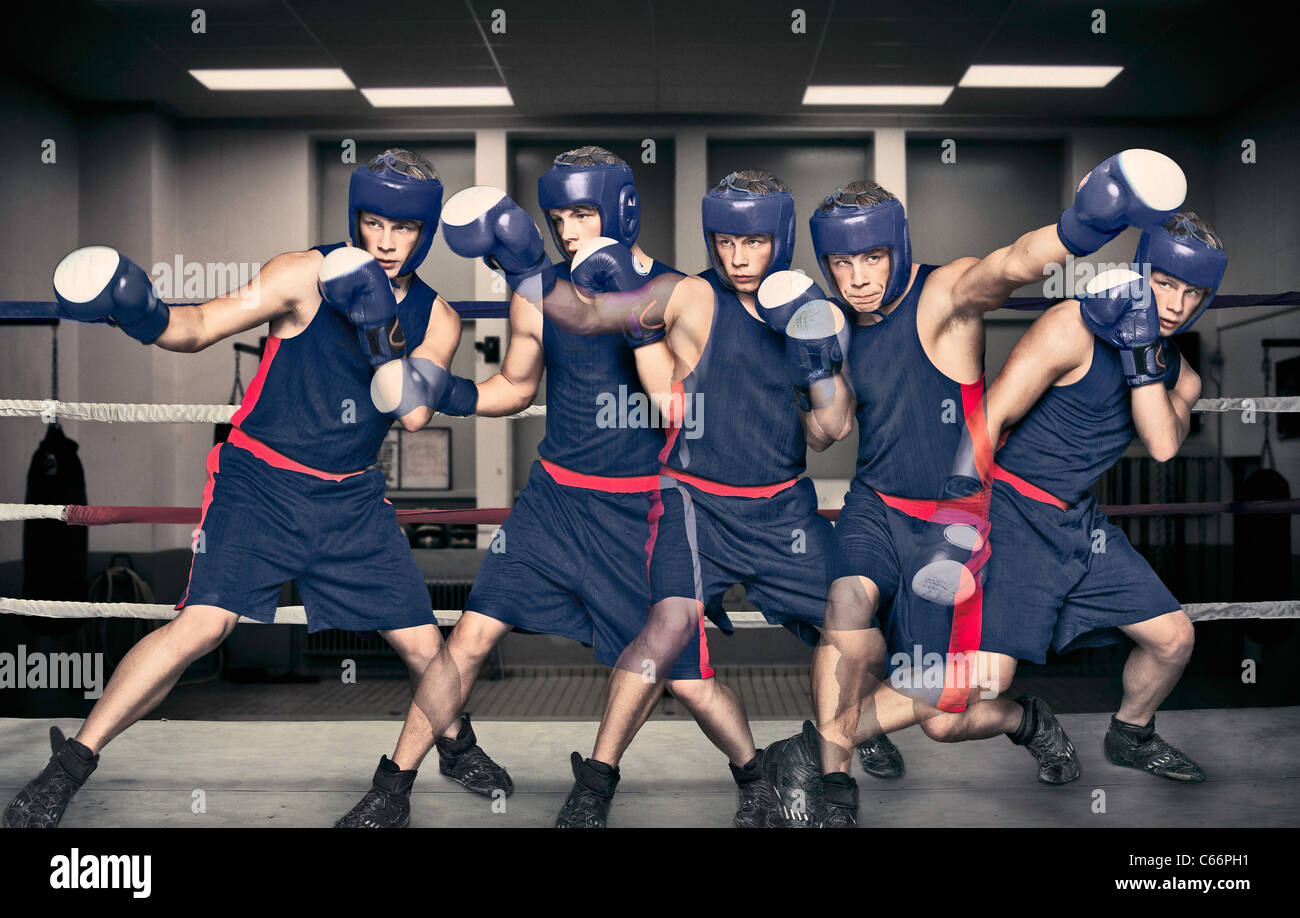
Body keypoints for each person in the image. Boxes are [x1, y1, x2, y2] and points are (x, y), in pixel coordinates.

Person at [4, 149, 508, 829]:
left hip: (351, 499)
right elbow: (201, 326)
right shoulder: (300, 272)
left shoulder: (437, 317)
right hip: (258, 483)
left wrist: (377, 333)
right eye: (371, 223)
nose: (385, 243)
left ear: (424, 232)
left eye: (403, 229)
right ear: (355, 216)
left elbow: (414, 412)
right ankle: (68, 768)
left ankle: (428, 766)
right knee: (201, 627)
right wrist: (142, 311)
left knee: (423, 644)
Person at [341, 147, 773, 828]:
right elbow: (516, 385)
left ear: (622, 213)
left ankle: (756, 776)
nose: (569, 231)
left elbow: (682, 411)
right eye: (558, 216)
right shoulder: (539, 291)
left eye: (583, 213)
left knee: (685, 678)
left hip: (643, 512)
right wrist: (444, 389)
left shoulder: (683, 292)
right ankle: (392, 787)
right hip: (552, 503)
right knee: (471, 638)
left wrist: (630, 312)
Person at [764, 150, 1188, 826]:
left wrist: (1086, 224)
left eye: (871, 258)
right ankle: (833, 785)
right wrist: (812, 365)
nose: (857, 278)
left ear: (898, 246)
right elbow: (827, 432)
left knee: (942, 714)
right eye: (842, 264)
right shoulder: (838, 321)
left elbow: (1015, 262)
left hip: (957, 514)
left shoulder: (947, 293)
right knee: (845, 608)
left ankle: (1024, 721)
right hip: (876, 503)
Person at [981, 212, 1223, 783]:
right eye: (1165, 284)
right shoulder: (1070, 326)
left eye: (1193, 293)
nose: (1177, 303)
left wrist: (1141, 358)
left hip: (1078, 523)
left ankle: (1131, 733)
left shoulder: (1181, 377)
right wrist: (954, 519)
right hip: (1011, 511)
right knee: (981, 685)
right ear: (1141, 274)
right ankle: (1026, 723)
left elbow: (1162, 445)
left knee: (1173, 638)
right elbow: (987, 420)